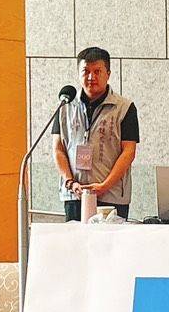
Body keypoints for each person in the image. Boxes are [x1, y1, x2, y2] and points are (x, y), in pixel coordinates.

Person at [53, 46, 138, 221]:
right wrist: (70, 182)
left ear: (108, 74)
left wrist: (104, 186)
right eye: (86, 71)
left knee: (110, 239)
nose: (91, 77)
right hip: (75, 194)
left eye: (97, 71)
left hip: (112, 196)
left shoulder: (124, 108)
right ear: (78, 74)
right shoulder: (64, 106)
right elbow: (58, 149)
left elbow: (128, 152)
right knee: (75, 239)